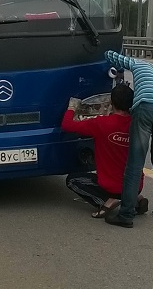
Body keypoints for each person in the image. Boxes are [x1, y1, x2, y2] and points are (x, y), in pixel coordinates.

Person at [102, 50, 153, 228]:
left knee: (135, 162)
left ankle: (126, 214)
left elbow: (112, 56)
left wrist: (106, 52)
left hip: (146, 108)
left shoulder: (141, 64)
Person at [61, 84, 148, 218]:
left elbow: (67, 125)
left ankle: (107, 201)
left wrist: (72, 108)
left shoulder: (101, 123)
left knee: (72, 180)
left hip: (112, 186)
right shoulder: (137, 123)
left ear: (111, 102)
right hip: (136, 184)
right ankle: (135, 198)